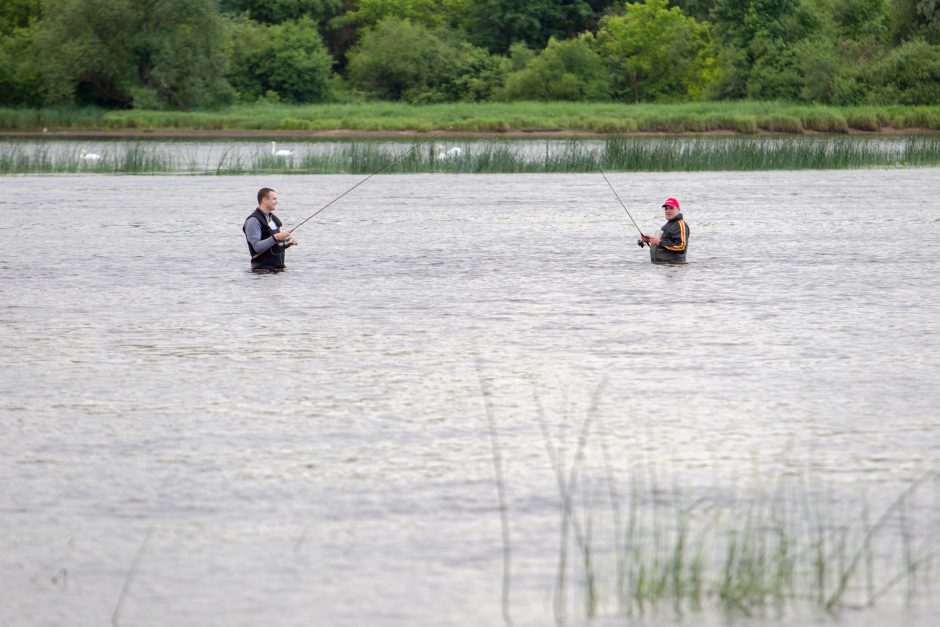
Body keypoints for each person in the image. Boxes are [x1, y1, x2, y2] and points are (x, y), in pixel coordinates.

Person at [243, 187, 297, 271]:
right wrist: (276, 237)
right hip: (262, 272)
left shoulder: (273, 219)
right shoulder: (253, 221)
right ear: (264, 200)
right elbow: (257, 247)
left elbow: (274, 245)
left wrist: (287, 243)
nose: (276, 202)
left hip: (277, 270)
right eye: (274, 199)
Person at [637, 197, 689, 264]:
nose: (668, 211)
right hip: (662, 266)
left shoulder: (681, 224)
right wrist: (649, 239)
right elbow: (663, 241)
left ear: (678, 209)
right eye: (666, 209)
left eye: (671, 208)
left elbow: (681, 247)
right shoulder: (666, 225)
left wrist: (659, 242)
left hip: (674, 266)